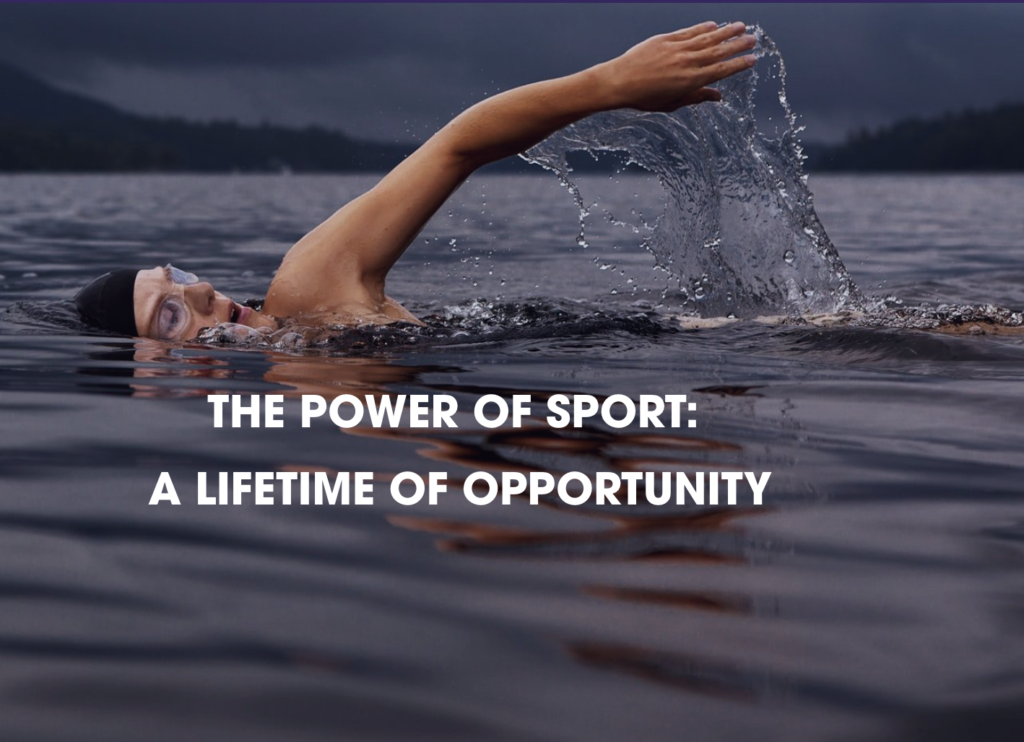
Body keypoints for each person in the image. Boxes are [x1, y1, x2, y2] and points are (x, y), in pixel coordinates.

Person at [75, 22, 757, 341]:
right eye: (170, 313)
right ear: (152, 379)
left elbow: (457, 146)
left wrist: (609, 84)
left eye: (179, 276)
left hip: (725, 338)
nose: (199, 289)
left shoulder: (308, 289)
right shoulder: (297, 411)